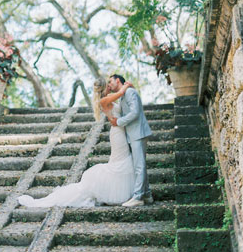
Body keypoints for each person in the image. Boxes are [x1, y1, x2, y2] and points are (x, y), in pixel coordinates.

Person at [17, 78, 136, 208]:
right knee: (121, 162)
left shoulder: (108, 98)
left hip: (120, 131)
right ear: (104, 88)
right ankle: (116, 194)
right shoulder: (104, 100)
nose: (110, 85)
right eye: (108, 85)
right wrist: (127, 86)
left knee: (120, 162)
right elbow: (120, 93)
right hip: (117, 133)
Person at [108, 73, 153, 206]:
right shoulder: (122, 95)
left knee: (139, 166)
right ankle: (148, 195)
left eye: (110, 82)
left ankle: (138, 197)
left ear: (118, 80)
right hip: (132, 134)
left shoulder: (130, 92)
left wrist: (119, 122)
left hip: (138, 132)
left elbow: (135, 112)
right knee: (139, 165)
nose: (109, 85)